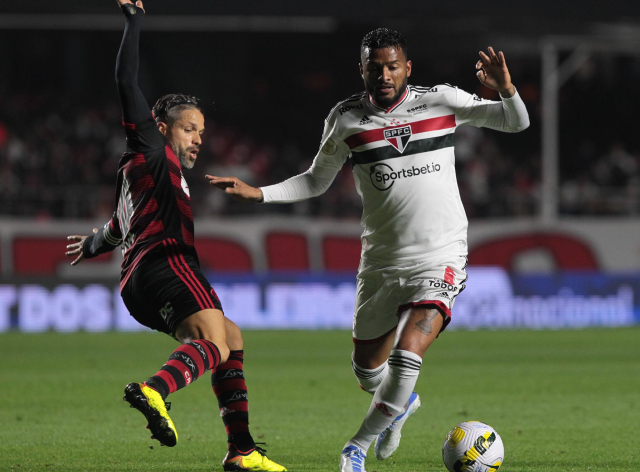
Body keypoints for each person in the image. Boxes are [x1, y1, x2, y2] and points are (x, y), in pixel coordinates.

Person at [206, 28, 529, 471]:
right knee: (367, 372)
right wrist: (259, 193)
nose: (384, 74)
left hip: (440, 256)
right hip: (380, 263)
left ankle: (354, 449)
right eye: (374, 66)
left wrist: (506, 90)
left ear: (407, 67)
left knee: (408, 351)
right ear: (361, 69)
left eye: (393, 65)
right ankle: (401, 404)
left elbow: (517, 122)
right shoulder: (345, 119)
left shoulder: (441, 100)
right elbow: (315, 180)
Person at [64, 1, 286, 470]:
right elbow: (126, 83)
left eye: (201, 131)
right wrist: (134, 21)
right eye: (190, 129)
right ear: (162, 128)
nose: (198, 139)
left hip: (135, 281)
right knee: (216, 342)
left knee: (229, 336)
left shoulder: (145, 174)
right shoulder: (149, 147)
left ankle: (242, 450)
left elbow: (118, 228)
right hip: (167, 262)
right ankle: (153, 389)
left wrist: (91, 244)